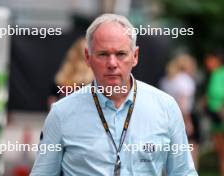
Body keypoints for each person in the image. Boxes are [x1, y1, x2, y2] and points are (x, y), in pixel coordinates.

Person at [30, 13, 198, 176]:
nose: (112, 63)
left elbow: (183, 172)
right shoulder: (61, 113)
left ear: (135, 56)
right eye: (103, 54)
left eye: (120, 54)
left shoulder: (166, 107)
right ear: (88, 57)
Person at [159, 53, 200, 169]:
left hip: (167, 117)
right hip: (185, 116)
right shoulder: (185, 80)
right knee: (191, 151)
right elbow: (183, 103)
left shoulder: (167, 79)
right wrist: (187, 121)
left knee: (171, 152)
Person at [205, 50, 224, 176]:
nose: (207, 63)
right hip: (214, 117)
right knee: (220, 151)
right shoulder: (213, 74)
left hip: (221, 115)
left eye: (210, 60)